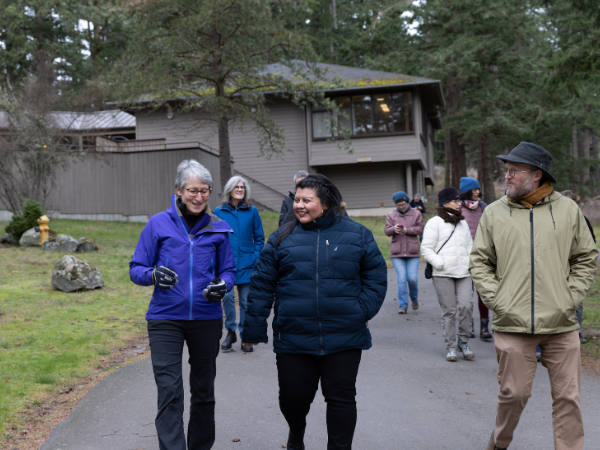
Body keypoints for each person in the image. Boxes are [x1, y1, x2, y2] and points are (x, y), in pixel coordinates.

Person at [241, 174, 387, 450]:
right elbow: (261, 285)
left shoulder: (357, 234)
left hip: (344, 335)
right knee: (293, 399)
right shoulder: (281, 238)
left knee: (341, 398)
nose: (299, 205)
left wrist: (361, 310)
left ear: (327, 203)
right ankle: (296, 431)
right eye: (296, 200)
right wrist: (253, 327)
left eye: (306, 200)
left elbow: (375, 276)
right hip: (294, 336)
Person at [469, 142, 597, 450]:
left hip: (561, 324)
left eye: (514, 171)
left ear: (536, 175)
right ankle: (499, 443)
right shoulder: (495, 213)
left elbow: (585, 257)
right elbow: (479, 262)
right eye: (506, 170)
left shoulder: (568, 210)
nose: (507, 176)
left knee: (568, 398)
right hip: (512, 324)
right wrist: (499, 301)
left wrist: (569, 298)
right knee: (514, 395)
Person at [129, 159, 236, 450]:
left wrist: (223, 285)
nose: (199, 197)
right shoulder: (158, 224)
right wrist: (152, 274)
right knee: (169, 389)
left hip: (206, 317)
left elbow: (229, 271)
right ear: (178, 189)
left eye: (205, 191)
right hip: (165, 318)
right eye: (192, 190)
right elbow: (136, 268)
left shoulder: (219, 227)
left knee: (203, 390)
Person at [421, 187, 474, 362]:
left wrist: (471, 264)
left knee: (466, 306)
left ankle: (463, 342)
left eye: (460, 201)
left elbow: (469, 246)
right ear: (444, 203)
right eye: (455, 201)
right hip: (443, 274)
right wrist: (440, 263)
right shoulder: (434, 223)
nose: (460, 204)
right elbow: (426, 248)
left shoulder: (463, 222)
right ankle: (451, 347)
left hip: (464, 272)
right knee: (450, 311)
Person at [214, 176, 265, 353]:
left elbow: (259, 238)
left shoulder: (252, 212)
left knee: (245, 302)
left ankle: (245, 336)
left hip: (247, 263)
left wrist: (255, 256)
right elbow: (212, 239)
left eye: (242, 187)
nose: (240, 189)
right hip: (225, 264)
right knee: (227, 298)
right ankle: (230, 331)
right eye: (236, 186)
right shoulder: (218, 212)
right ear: (229, 189)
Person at [560, 190, 595, 345]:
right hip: (558, 266)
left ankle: (577, 331)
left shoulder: (583, 220)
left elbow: (591, 244)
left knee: (577, 299)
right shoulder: (554, 220)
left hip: (575, 266)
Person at [459, 176, 492, 341]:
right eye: (474, 189)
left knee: (483, 292)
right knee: (466, 294)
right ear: (467, 191)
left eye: (478, 189)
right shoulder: (458, 209)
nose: (477, 192)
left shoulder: (484, 207)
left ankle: (485, 327)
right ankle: (469, 326)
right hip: (464, 257)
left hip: (482, 256)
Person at [385, 190, 424, 314]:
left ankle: (414, 299)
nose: (401, 207)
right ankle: (403, 305)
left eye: (403, 204)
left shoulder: (416, 213)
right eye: (399, 205)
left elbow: (420, 229)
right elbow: (386, 231)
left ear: (407, 202)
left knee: (412, 278)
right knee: (402, 279)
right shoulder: (391, 215)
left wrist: (407, 230)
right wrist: (393, 229)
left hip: (413, 251)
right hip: (397, 252)